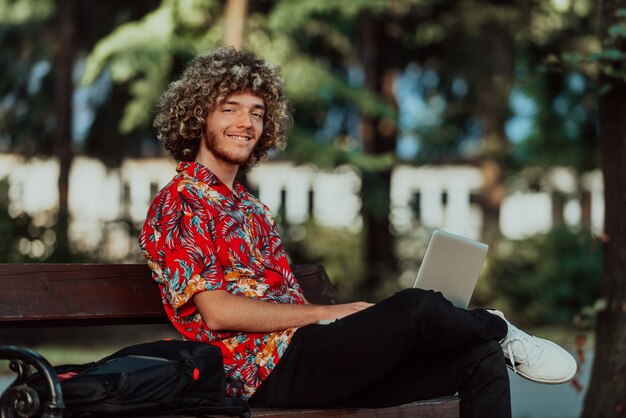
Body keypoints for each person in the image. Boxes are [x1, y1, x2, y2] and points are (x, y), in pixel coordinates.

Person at [139, 47, 577, 418]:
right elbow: (217, 312)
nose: (246, 123)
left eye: (256, 112)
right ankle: (496, 328)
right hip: (258, 376)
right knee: (416, 307)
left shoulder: (251, 209)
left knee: (476, 358)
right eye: (229, 109)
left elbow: (284, 306)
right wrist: (334, 313)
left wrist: (340, 323)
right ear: (198, 118)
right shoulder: (178, 204)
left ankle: (486, 338)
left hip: (312, 359)